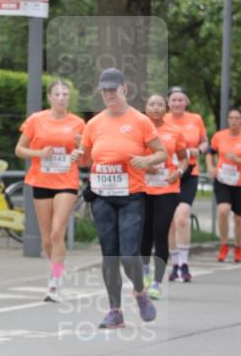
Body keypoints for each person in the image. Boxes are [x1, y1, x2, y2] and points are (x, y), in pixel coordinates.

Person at [76, 68, 167, 329]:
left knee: (129, 256)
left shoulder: (140, 121)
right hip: (102, 197)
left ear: (124, 89)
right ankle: (115, 311)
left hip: (131, 197)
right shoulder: (93, 123)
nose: (108, 94)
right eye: (104, 90)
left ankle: (140, 292)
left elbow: (161, 153)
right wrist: (77, 156)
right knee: (109, 256)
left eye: (112, 90)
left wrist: (147, 159)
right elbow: (85, 157)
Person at [15, 80, 85, 301]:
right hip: (41, 179)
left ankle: (55, 283)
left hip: (66, 181)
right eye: (57, 94)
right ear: (49, 97)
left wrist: (80, 149)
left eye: (65, 94)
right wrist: (38, 154)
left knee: (57, 232)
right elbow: (19, 149)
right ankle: (55, 269)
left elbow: (86, 157)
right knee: (46, 238)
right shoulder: (36, 120)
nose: (62, 97)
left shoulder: (78, 123)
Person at [140, 94, 188, 299]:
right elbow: (128, 156)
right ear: (146, 107)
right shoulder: (138, 130)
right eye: (152, 104)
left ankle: (157, 283)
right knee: (144, 235)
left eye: (160, 104)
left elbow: (185, 159)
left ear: (165, 108)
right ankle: (144, 273)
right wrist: (144, 168)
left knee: (161, 232)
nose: (156, 107)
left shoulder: (174, 132)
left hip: (167, 189)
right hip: (142, 188)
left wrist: (180, 171)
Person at [165, 87, 208, 282]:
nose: (177, 103)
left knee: (182, 216)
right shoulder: (161, 120)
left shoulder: (195, 119)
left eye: (181, 100)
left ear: (186, 102)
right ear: (168, 102)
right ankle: (174, 265)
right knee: (171, 223)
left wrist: (199, 149)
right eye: (173, 100)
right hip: (169, 173)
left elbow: (205, 142)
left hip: (190, 172)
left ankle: (184, 263)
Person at [206, 108, 241, 263]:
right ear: (227, 120)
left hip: (239, 182)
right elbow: (210, 152)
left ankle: (238, 247)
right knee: (223, 210)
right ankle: (224, 244)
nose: (234, 120)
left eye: (237, 118)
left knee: (239, 219)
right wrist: (211, 167)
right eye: (231, 117)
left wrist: (237, 160)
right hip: (222, 179)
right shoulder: (219, 136)